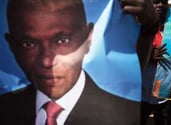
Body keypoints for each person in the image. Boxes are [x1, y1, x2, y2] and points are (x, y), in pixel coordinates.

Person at [0, 0, 159, 125]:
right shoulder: (6, 108)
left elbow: (131, 70)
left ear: (89, 38)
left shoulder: (119, 110)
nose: (47, 61)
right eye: (29, 44)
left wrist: (149, 28)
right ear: (12, 45)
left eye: (62, 40)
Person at [140, 0, 170, 125]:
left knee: (162, 120)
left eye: (164, 2)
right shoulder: (139, 28)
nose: (160, 5)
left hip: (166, 92)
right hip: (142, 90)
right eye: (156, 1)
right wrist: (148, 54)